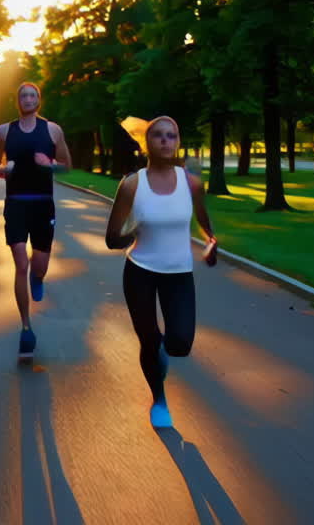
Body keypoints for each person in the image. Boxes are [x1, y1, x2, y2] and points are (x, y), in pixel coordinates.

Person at [104, 115, 218, 428]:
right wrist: (135, 228)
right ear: (147, 143)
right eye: (158, 135)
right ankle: (159, 398)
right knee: (150, 340)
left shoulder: (191, 183)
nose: (166, 140)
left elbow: (203, 218)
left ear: (178, 141)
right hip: (140, 270)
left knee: (180, 343)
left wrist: (211, 240)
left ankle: (159, 359)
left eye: (172, 135)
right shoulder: (132, 184)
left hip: (179, 273)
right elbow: (112, 239)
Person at [0, 82, 72, 360]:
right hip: (16, 205)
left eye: (32, 95)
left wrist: (51, 165)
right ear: (17, 101)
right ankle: (26, 329)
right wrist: (5, 170)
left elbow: (67, 166)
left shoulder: (52, 130)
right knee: (19, 263)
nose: (27, 99)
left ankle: (39, 277)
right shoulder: (4, 131)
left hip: (42, 206)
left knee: (38, 265)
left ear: (39, 100)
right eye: (23, 95)